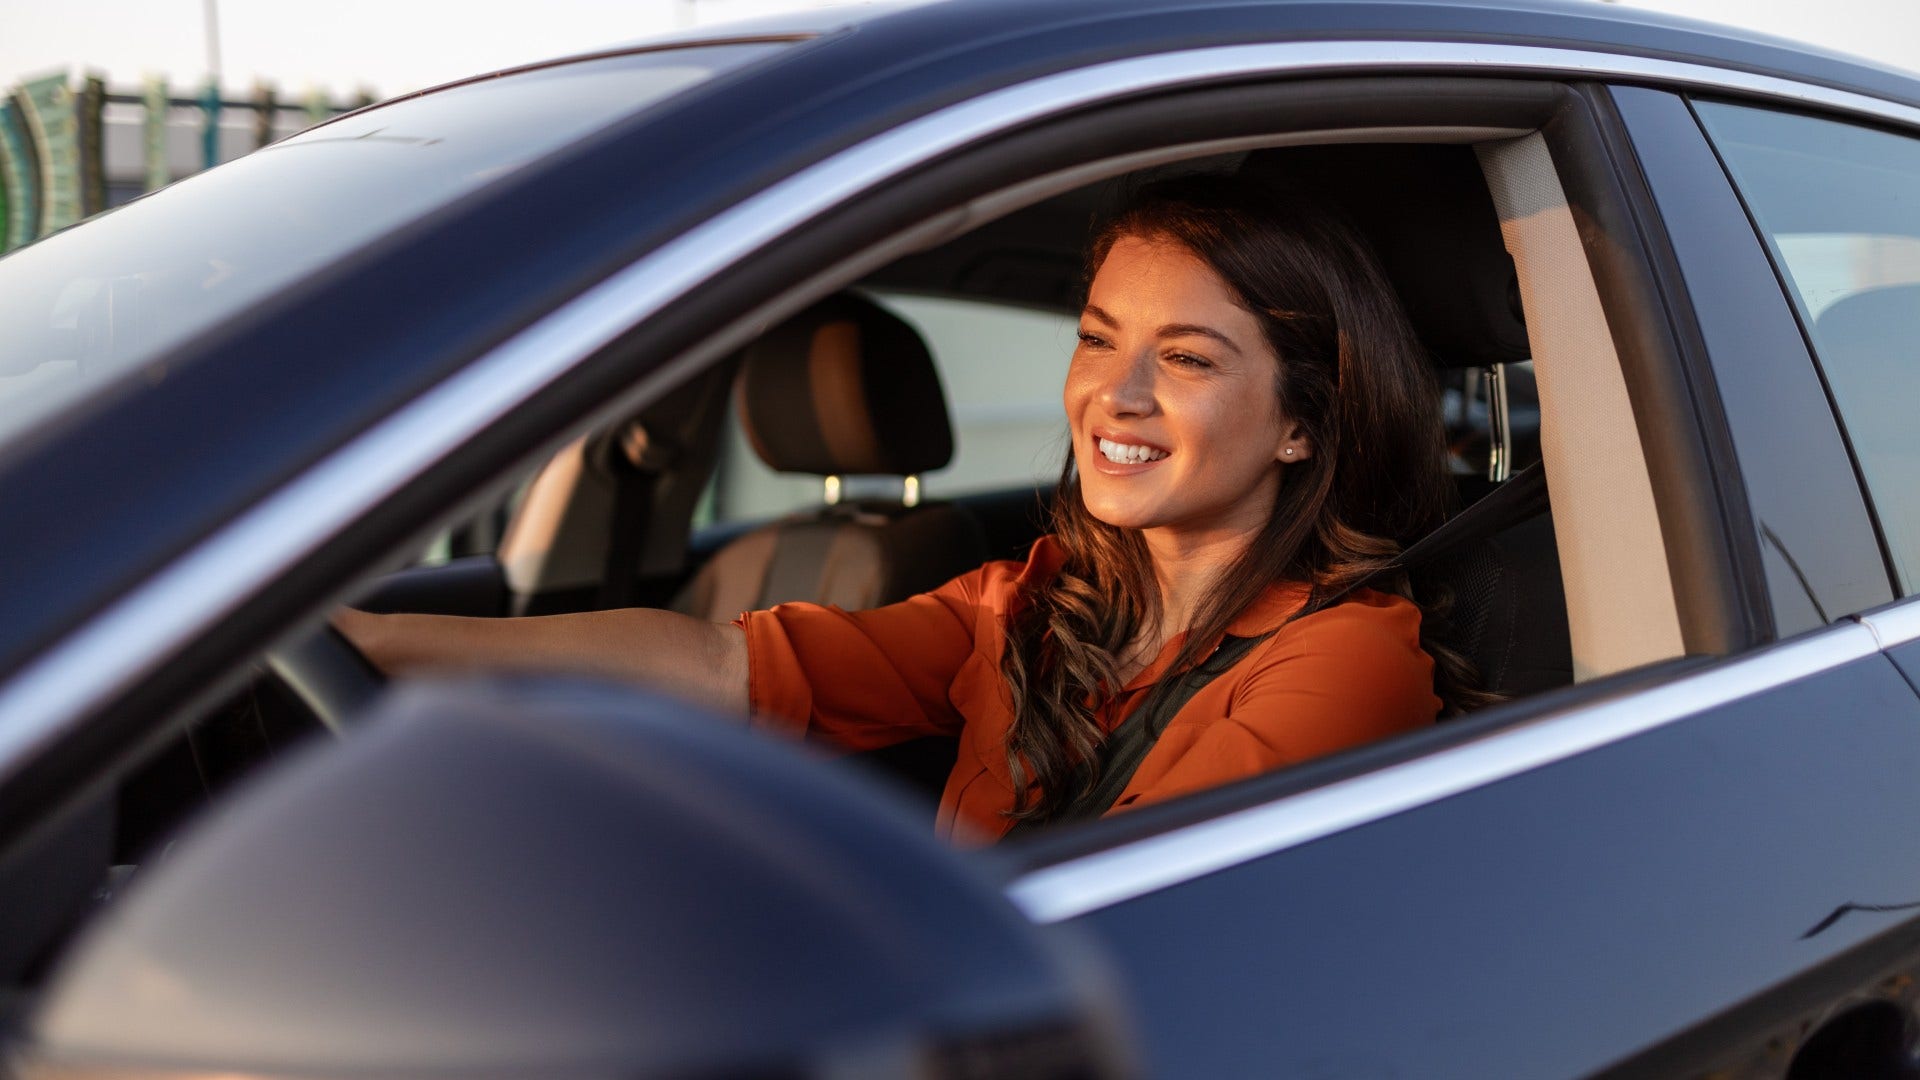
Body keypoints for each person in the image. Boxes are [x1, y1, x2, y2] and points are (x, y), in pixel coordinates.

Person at [336, 173, 1480, 844]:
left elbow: (1135, 906)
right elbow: (721, 668)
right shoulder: (1028, 601)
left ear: (1301, 426)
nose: (1111, 396)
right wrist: (379, 641)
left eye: (1185, 359)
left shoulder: (1348, 657)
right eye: (1095, 340)